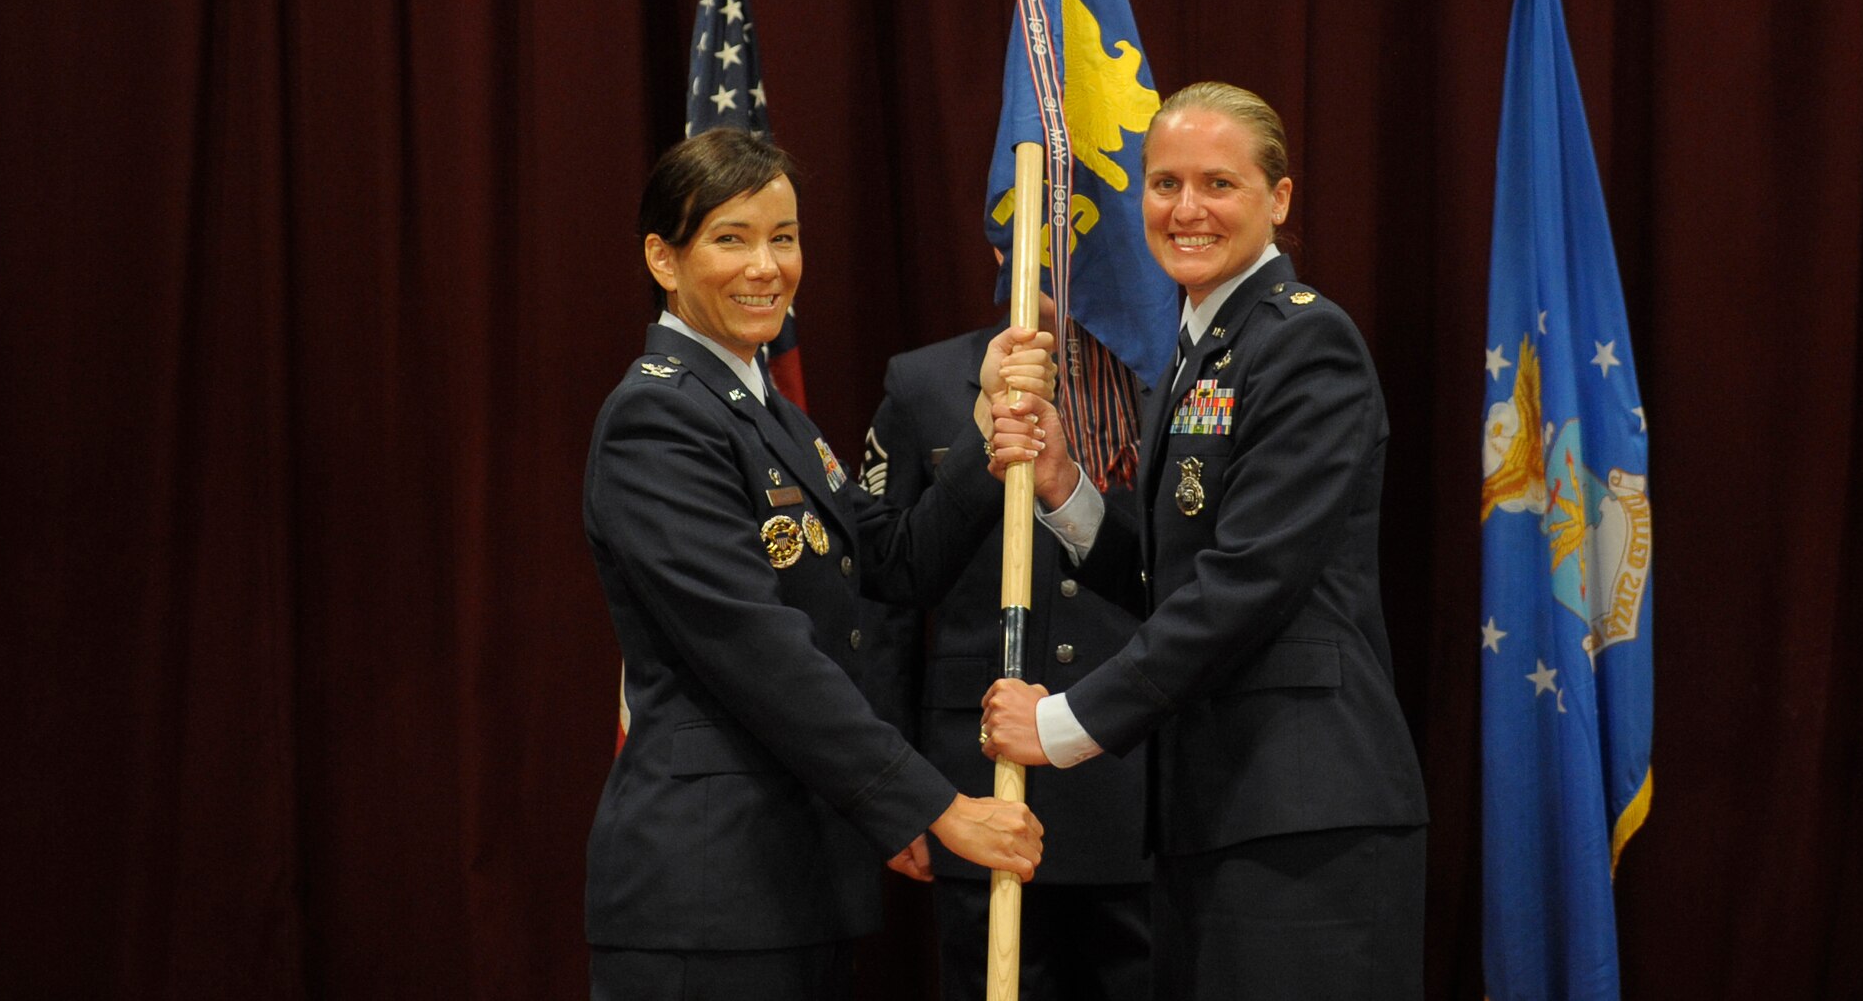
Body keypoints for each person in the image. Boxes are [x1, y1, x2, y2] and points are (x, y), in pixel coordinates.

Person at [980, 82, 1430, 1000]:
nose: (1186, 209)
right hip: (1216, 811)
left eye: (1218, 183)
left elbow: (1247, 584)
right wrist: (1067, 488)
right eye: (1163, 183)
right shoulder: (1198, 347)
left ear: (1281, 199)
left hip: (1304, 819)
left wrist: (1062, 725)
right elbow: (1171, 570)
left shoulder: (1306, 344)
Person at [583, 128, 1050, 1001]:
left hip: (792, 884)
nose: (767, 266)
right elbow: (763, 655)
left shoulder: (768, 413)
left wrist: (986, 424)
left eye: (784, 237)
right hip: (707, 896)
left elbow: (898, 561)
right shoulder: (660, 419)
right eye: (732, 238)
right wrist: (936, 805)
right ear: (663, 257)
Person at [861, 307, 1151, 1001]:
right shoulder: (923, 381)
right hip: (979, 786)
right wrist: (898, 790)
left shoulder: (1168, 372)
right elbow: (887, 604)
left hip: (1137, 784)